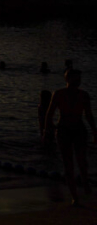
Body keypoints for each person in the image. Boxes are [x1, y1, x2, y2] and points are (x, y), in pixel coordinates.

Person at [44, 69, 96, 206]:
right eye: (75, 79)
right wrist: (48, 130)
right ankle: (75, 197)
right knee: (68, 165)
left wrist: (95, 132)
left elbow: (89, 115)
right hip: (64, 130)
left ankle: (85, 181)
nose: (78, 81)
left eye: (79, 79)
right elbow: (49, 114)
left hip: (79, 129)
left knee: (82, 161)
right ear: (68, 80)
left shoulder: (84, 95)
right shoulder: (59, 94)